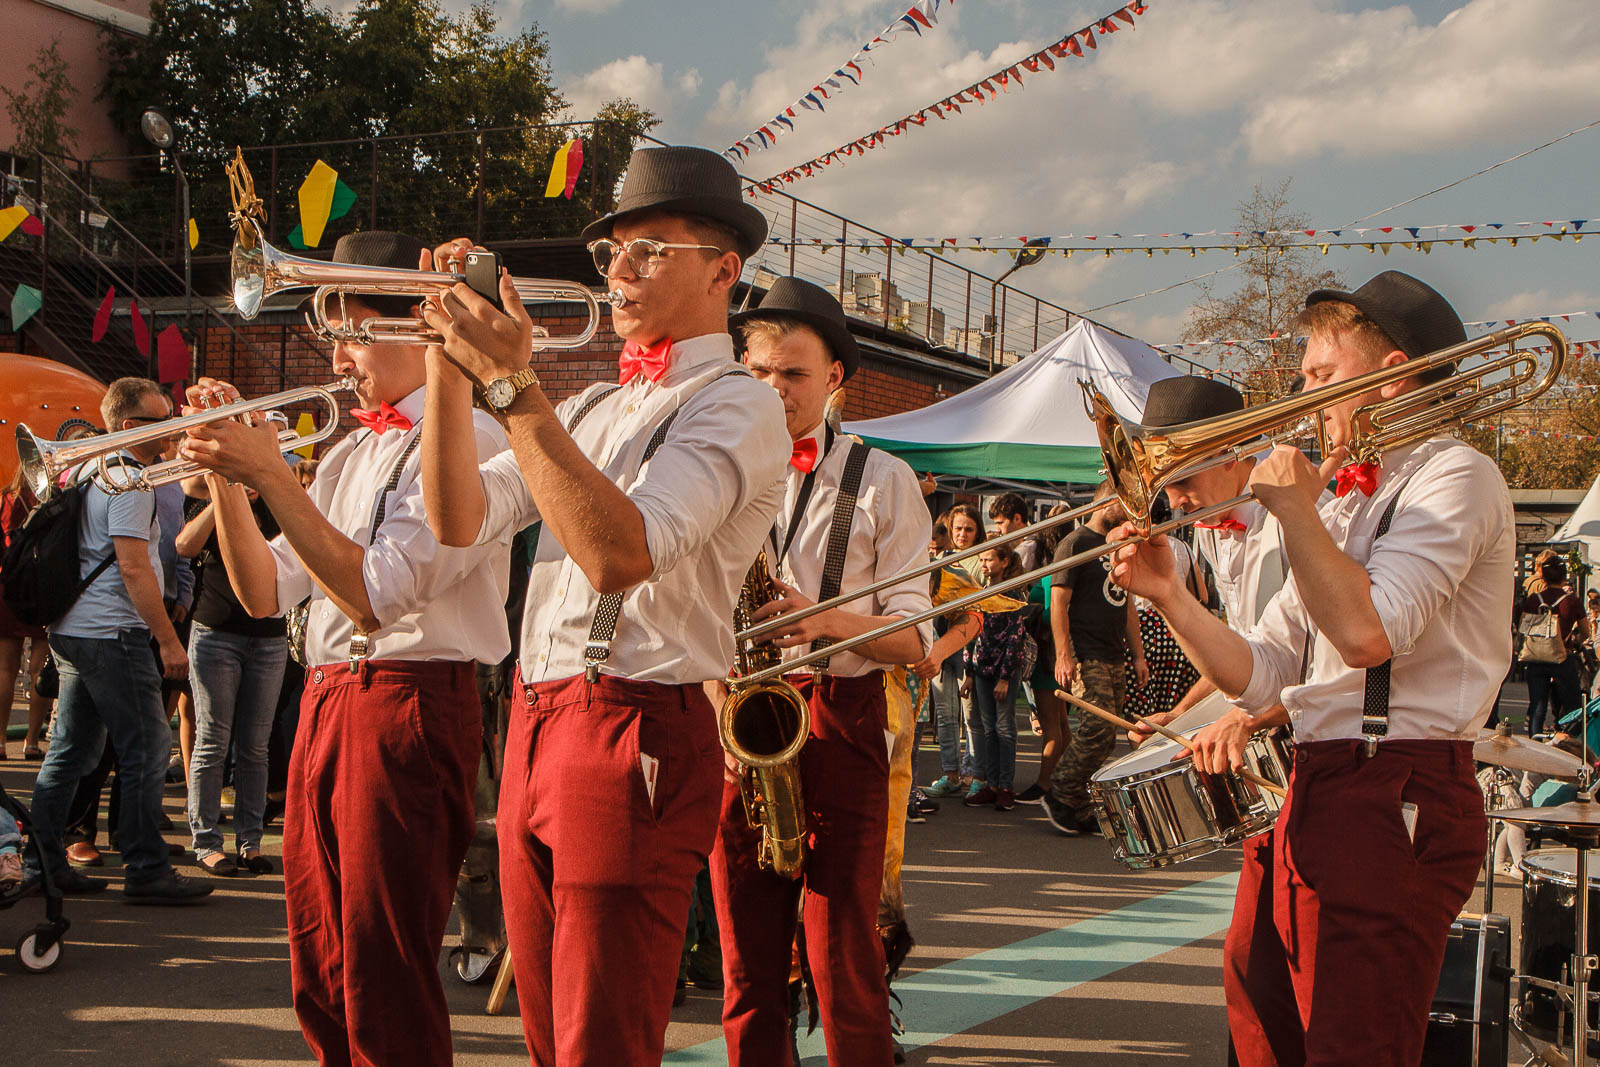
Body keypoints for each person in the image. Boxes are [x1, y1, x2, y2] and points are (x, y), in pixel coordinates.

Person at [416, 145, 789, 1064]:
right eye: (612, 253)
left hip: (634, 724)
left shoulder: (736, 402)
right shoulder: (584, 410)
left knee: (601, 1040)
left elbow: (621, 552)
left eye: (648, 250)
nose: (618, 271)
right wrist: (445, 362)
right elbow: (458, 519)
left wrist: (511, 388)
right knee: (551, 1036)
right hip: (539, 722)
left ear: (721, 270)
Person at [1109, 271, 1506, 1065]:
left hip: (1397, 780)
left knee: (1354, 1045)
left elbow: (1367, 635)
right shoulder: (1344, 499)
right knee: (1278, 1030)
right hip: (1321, 782)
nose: (1302, 394)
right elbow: (1262, 672)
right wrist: (1172, 596)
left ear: (1392, 371)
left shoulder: (1455, 475)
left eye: (1321, 376)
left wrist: (1293, 509)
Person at [177, 230, 512, 1065]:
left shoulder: (474, 436)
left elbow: (375, 593)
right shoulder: (352, 449)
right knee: (320, 963)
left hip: (409, 697)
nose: (340, 351)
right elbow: (263, 593)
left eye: (356, 328)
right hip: (331, 697)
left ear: (415, 327)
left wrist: (276, 476)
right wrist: (228, 471)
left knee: (383, 970)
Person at [708, 276, 930, 1065]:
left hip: (842, 710)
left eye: (792, 375)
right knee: (746, 964)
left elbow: (917, 641)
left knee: (846, 958)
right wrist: (713, 712)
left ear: (836, 377)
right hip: (741, 719)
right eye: (758, 371)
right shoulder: (716, 470)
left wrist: (828, 620)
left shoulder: (885, 480)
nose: (771, 390)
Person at [25, 377, 210, 902]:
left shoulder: (87, 470)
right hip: (112, 632)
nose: (173, 429)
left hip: (76, 629)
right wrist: (168, 642)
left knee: (72, 750)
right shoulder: (129, 479)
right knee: (147, 747)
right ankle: (146, 868)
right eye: (163, 421)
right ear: (130, 428)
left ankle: (42, 861)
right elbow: (134, 567)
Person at [174, 486, 285, 876]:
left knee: (256, 746)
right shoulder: (213, 499)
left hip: (270, 636)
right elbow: (184, 545)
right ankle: (205, 843)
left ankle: (249, 843)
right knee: (212, 740)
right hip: (216, 632)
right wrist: (225, 495)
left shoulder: (275, 500)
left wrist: (264, 490)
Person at [1041, 481, 1146, 835]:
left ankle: (1077, 803)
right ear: (1105, 503)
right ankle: (1060, 792)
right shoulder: (1076, 543)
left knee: (1107, 732)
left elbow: (1127, 601)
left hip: (1114, 651)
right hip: (1087, 652)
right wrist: (1063, 654)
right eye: (1122, 503)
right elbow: (1058, 602)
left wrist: (1139, 654)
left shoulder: (1118, 544)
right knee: (1096, 728)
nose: (1128, 510)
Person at [960, 546, 1030, 811]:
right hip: (980, 670)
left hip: (1003, 672)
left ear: (1005, 560)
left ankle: (1005, 787)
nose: (984, 564)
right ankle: (990, 785)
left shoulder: (1013, 594)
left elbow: (1015, 638)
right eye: (981, 559)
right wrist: (968, 672)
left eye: (989, 559)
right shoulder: (979, 590)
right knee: (988, 729)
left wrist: (1005, 677)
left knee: (1004, 728)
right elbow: (969, 630)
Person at [0, 467, 51, 759]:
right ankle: (32, 742)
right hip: (42, 588)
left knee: (5, 669)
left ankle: (0, 742)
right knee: (38, 669)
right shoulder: (52, 498)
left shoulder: (5, 499)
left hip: (7, 586)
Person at [1517, 556, 1588, 737]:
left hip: (1536, 656)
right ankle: (1572, 742)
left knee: (1537, 705)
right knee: (1572, 705)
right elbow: (1585, 631)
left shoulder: (1534, 599)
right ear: (1564, 577)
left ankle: (1534, 742)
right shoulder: (1572, 601)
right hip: (1562, 656)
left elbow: (1522, 627)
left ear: (1543, 578)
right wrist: (1575, 638)